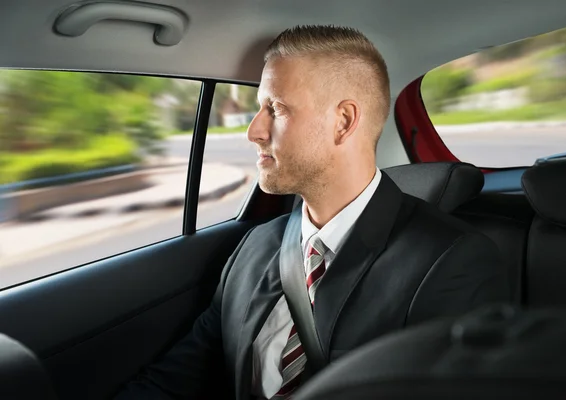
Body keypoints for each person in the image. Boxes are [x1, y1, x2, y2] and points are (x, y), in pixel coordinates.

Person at [115, 25, 510, 400]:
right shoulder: (254, 249)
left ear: (343, 122)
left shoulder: (452, 262)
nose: (253, 130)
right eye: (259, 109)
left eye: (277, 108)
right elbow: (176, 379)